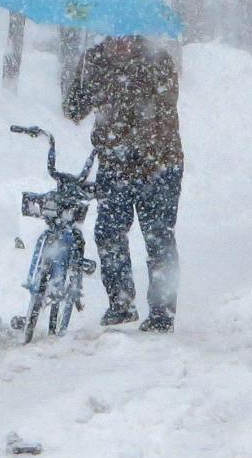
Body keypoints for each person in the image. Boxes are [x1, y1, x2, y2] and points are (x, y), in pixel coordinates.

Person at [65, 34, 184, 333]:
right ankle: (120, 302)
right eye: (112, 39)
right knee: (108, 233)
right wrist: (83, 80)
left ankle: (161, 312)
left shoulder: (156, 61)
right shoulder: (94, 60)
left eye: (124, 39)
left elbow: (164, 111)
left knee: (158, 237)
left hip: (158, 166)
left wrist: (136, 145)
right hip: (116, 166)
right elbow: (73, 109)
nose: (118, 44)